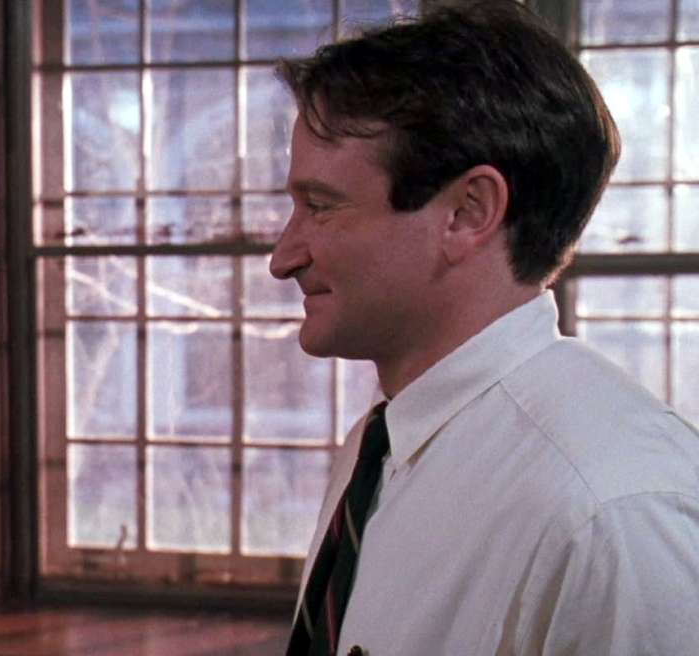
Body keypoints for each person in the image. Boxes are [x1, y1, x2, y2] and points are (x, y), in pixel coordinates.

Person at [269, 2, 699, 654]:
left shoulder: (611, 511)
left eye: (321, 206)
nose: (282, 257)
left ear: (468, 213)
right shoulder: (378, 446)